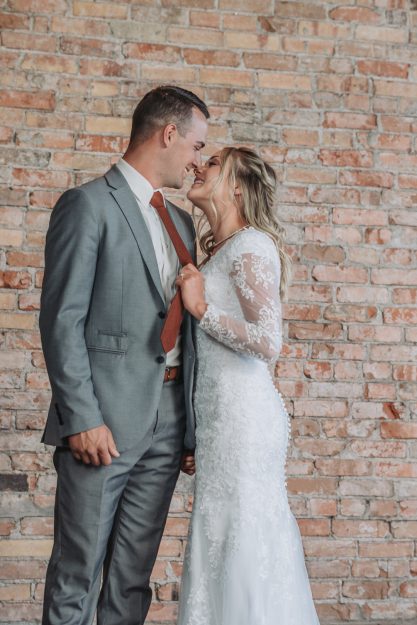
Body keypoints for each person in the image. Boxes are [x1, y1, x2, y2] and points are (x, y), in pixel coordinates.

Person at [39, 85, 209, 625]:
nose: (198, 160)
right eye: (197, 145)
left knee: (132, 578)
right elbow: (60, 320)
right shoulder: (87, 205)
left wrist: (189, 431)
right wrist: (82, 418)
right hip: (103, 424)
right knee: (78, 572)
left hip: (168, 424)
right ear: (168, 133)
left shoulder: (180, 223)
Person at [176, 147, 320, 625]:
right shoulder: (220, 250)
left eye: (212, 162)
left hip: (245, 421)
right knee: (218, 540)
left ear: (236, 186)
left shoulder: (251, 246)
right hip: (220, 424)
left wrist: (201, 309)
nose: (199, 166)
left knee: (243, 539)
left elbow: (267, 342)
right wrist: (194, 430)